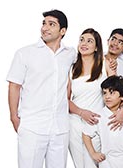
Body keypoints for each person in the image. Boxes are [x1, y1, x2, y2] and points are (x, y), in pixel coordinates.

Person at [7, 9, 76, 168]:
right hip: (32, 126)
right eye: (44, 23)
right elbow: (14, 86)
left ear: (63, 31)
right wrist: (14, 117)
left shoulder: (70, 54)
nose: (45, 28)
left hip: (60, 127)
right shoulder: (25, 53)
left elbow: (90, 59)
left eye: (51, 24)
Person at [68, 28, 123, 168]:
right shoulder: (72, 69)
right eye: (82, 39)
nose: (84, 43)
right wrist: (82, 112)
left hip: (97, 123)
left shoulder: (105, 64)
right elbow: (66, 100)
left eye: (90, 41)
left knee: (94, 164)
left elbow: (118, 91)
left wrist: (122, 110)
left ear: (96, 47)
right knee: (79, 165)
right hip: (74, 123)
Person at [82, 75, 123, 168]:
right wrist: (93, 153)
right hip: (107, 162)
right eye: (104, 93)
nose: (107, 96)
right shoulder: (100, 116)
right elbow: (85, 134)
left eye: (112, 92)